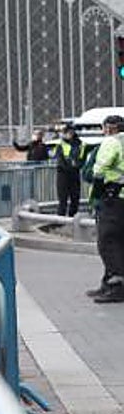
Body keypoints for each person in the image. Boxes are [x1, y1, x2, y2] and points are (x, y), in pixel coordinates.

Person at [88, 115, 124, 304]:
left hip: (113, 198)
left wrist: (97, 190)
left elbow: (99, 170)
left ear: (107, 128)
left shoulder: (112, 141)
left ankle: (116, 286)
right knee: (120, 242)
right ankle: (109, 283)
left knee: (108, 242)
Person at [55, 124, 85, 218]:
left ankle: (73, 219)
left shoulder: (80, 144)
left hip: (75, 174)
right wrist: (69, 166)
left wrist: (77, 166)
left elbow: (82, 158)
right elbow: (60, 159)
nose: (69, 134)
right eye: (67, 132)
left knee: (75, 198)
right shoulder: (61, 144)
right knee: (63, 199)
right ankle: (61, 220)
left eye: (70, 132)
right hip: (63, 174)